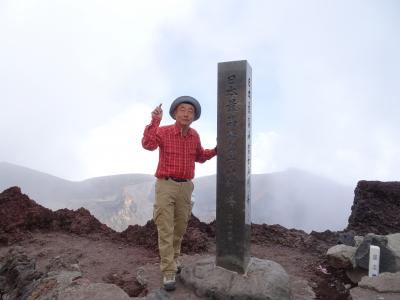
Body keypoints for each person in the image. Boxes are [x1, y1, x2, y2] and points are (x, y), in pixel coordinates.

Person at [142, 96, 217, 291]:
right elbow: (148, 144)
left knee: (180, 227)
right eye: (182, 109)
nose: (186, 113)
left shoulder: (194, 135)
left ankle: (174, 260)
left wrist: (217, 150)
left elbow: (200, 156)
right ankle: (168, 270)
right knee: (165, 227)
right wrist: (154, 121)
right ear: (175, 113)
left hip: (186, 187)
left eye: (190, 111)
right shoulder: (164, 131)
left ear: (194, 116)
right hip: (166, 185)